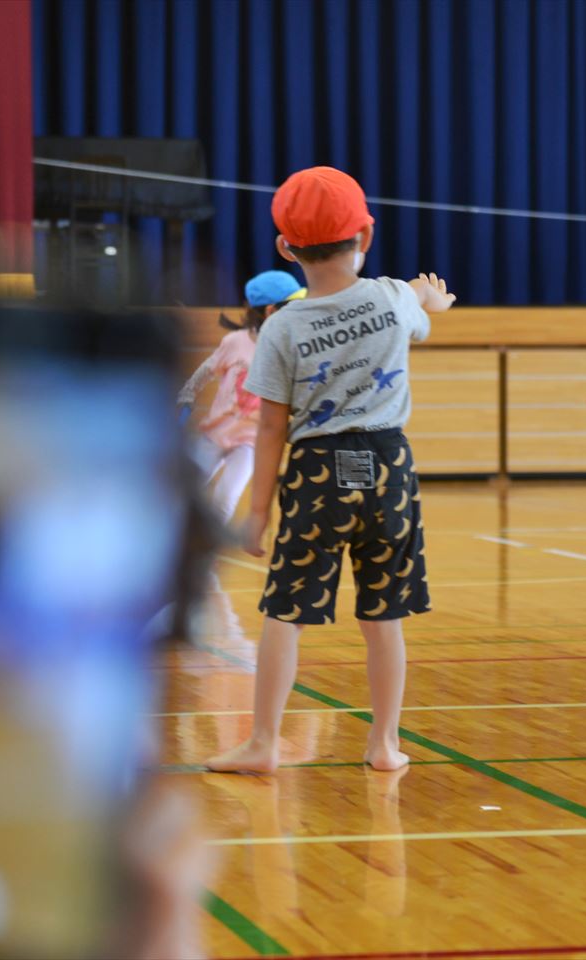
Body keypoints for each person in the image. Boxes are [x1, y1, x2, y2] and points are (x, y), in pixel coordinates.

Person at [205, 166, 455, 775]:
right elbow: (422, 306)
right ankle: (383, 744)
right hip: (388, 469)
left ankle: (264, 741)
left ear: (286, 248)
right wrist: (431, 297)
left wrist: (258, 511)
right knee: (384, 617)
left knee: (285, 614)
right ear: (365, 234)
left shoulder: (283, 327)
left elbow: (270, 429)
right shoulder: (393, 298)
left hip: (317, 472)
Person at [177, 270, 303, 523]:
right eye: (293, 306)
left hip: (249, 443)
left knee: (225, 500)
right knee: (184, 492)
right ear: (271, 311)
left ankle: (206, 557)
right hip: (214, 435)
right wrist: (187, 395)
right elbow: (207, 369)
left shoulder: (290, 350)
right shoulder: (235, 342)